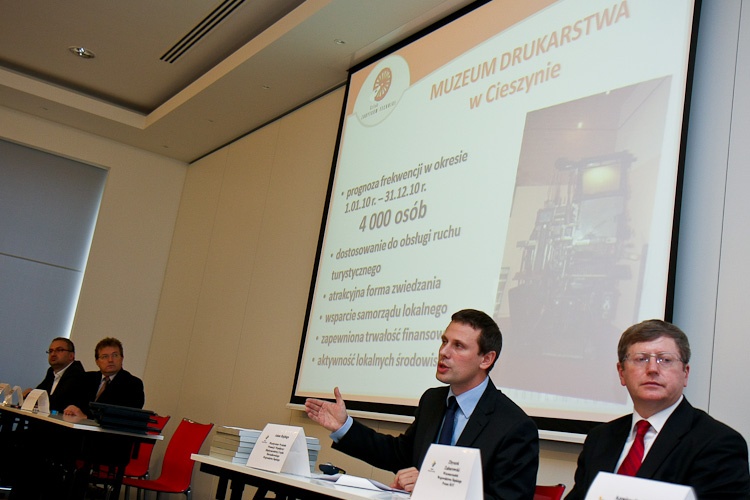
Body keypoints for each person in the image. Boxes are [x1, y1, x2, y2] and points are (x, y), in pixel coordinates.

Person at [305, 309, 539, 499]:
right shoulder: (433, 400)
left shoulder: (514, 427)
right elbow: (400, 455)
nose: (443, 352)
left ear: (486, 359)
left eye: (458, 346)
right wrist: (344, 426)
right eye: (444, 341)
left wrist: (433, 487)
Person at [566, 319, 750, 499]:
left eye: (665, 360)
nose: (652, 368)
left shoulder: (718, 443)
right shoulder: (600, 438)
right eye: (641, 359)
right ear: (621, 373)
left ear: (685, 373)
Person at [64, 337, 145, 418]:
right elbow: (73, 403)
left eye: (115, 355)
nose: (110, 360)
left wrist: (86, 417)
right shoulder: (86, 378)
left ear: (122, 358)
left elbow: (124, 416)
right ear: (97, 362)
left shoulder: (133, 384)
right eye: (105, 356)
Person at [24, 337, 85, 412]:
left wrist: (33, 397)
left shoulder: (77, 374)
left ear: (71, 356)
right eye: (51, 351)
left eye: (59, 350)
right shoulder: (51, 372)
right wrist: (30, 394)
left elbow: (58, 403)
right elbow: (40, 392)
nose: (53, 354)